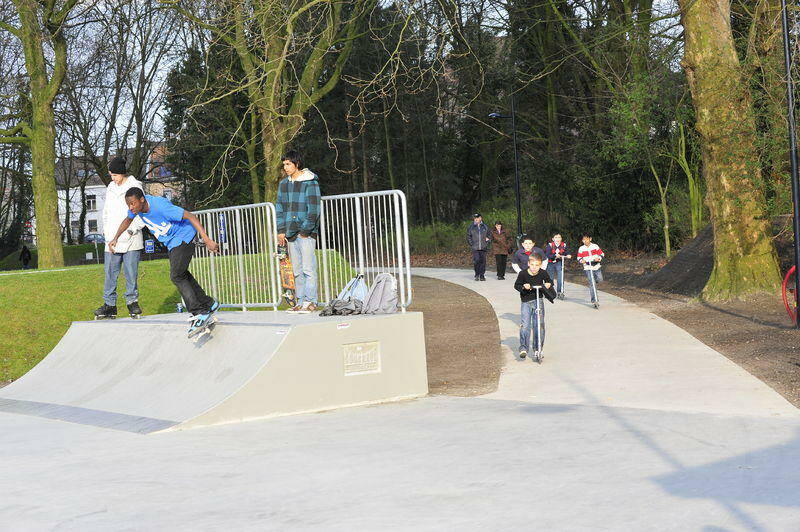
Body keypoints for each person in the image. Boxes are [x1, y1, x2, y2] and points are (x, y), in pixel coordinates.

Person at [108, 187, 220, 335]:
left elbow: (190, 216)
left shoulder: (160, 206)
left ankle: (199, 313)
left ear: (142, 200)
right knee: (181, 273)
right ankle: (208, 303)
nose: (131, 208)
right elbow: (128, 220)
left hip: (184, 236)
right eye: (128, 205)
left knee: (176, 275)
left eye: (133, 204)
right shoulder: (136, 209)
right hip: (172, 243)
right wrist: (115, 238)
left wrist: (206, 239)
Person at [94, 156, 146, 320]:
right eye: (111, 175)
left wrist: (132, 230)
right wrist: (107, 233)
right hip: (112, 239)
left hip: (131, 238)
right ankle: (109, 305)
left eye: (115, 175)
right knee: (110, 273)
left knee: (131, 273)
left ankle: (132, 302)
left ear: (122, 173)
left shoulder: (135, 186)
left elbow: (142, 211)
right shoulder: (110, 187)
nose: (113, 179)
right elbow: (106, 212)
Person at [276, 150, 321, 313]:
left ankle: (311, 302)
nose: (285, 167)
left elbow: (314, 209)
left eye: (288, 164)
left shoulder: (310, 182)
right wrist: (281, 230)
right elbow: (279, 208)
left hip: (306, 233)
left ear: (297, 163)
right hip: (290, 233)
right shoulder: (284, 184)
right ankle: (300, 302)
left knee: (308, 269)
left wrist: (305, 231)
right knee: (296, 271)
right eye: (284, 164)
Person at [514, 254, 556, 360]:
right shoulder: (523, 274)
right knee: (525, 325)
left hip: (538, 300)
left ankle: (538, 348)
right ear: (528, 264)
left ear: (540, 265)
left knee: (539, 324)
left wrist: (548, 284)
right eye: (532, 264)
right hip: (526, 302)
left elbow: (549, 281)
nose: (534, 267)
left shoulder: (543, 273)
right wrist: (524, 286)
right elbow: (517, 285)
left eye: (537, 265)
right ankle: (523, 348)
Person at [577, 233, 604, 306]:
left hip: (596, 266)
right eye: (583, 240)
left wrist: (599, 258)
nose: (585, 241)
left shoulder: (595, 246)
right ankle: (595, 300)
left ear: (590, 239)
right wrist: (581, 260)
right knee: (592, 284)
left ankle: (594, 282)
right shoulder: (581, 248)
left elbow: (601, 254)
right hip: (588, 267)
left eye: (586, 239)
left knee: (600, 279)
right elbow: (579, 257)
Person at [466, 213, 490, 281]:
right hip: (475, 248)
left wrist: (488, 241)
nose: (475, 219)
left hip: (483, 247)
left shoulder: (485, 226)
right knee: (476, 261)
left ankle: (482, 275)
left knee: (483, 261)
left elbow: (489, 235)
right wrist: (472, 244)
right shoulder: (471, 227)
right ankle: (477, 274)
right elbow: (468, 236)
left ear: (480, 218)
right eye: (474, 218)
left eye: (477, 218)